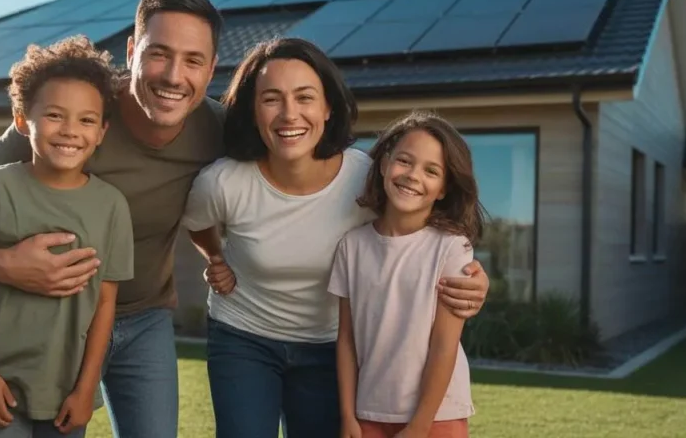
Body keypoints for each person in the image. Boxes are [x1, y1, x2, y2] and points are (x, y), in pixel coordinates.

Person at [0, 0, 491, 438]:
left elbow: (402, 208)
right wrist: (2, 265)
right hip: (59, 318)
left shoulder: (224, 131)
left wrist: (466, 271)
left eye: (193, 60)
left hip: (144, 317)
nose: (174, 76)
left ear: (212, 67)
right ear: (132, 52)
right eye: (160, 55)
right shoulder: (75, 115)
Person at [179, 38, 491, 438]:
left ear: (327, 107)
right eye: (271, 99)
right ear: (253, 111)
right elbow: (197, 223)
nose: (289, 114)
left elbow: (420, 227)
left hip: (331, 347)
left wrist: (472, 279)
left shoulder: (364, 179)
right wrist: (215, 258)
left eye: (304, 97)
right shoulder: (223, 182)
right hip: (244, 337)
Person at [0, 36, 135, 437]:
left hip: (65, 395)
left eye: (86, 120)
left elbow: (105, 306)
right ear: (24, 119)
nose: (70, 131)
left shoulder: (112, 206)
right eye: (56, 115)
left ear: (101, 131)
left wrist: (86, 388)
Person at [330, 111, 484, 438]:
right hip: (368, 412)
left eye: (431, 171)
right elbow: (346, 341)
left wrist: (419, 425)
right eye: (405, 161)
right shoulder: (351, 247)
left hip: (437, 416)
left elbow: (445, 345)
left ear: (443, 189)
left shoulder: (452, 249)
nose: (413, 175)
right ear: (384, 164)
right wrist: (347, 415)